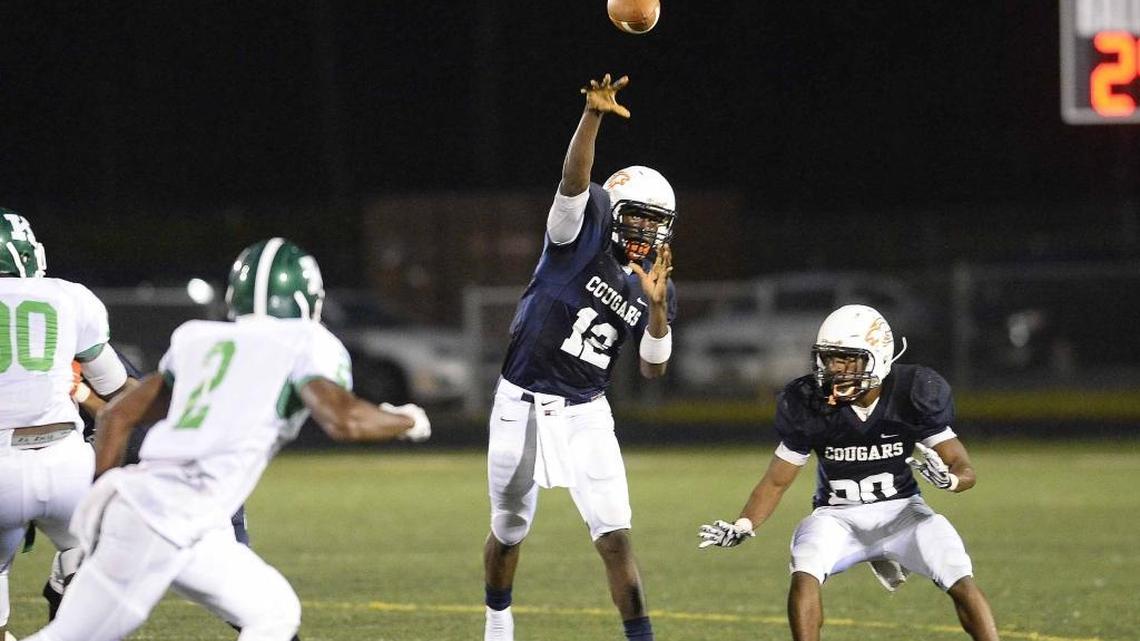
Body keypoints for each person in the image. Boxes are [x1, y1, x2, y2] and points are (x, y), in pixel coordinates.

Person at [22, 238, 431, 641]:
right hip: (165, 518)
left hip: (187, 519)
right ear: (310, 299)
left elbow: (117, 414)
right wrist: (405, 420)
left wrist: (101, 492)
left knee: (273, 612)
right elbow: (345, 421)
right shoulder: (308, 339)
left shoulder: (200, 338)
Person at [482, 74, 677, 641]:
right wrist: (592, 117)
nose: (644, 231)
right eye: (635, 217)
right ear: (614, 212)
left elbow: (653, 367)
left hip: (586, 410)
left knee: (615, 534)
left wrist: (659, 310)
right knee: (510, 527)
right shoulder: (578, 229)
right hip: (519, 400)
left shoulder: (654, 281)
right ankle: (498, 619)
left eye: (654, 223)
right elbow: (574, 180)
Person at [698, 304, 1001, 641]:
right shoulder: (810, 402)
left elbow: (962, 466)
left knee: (957, 571)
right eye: (830, 359)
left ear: (879, 356)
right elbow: (776, 480)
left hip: (904, 513)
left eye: (847, 359)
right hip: (837, 518)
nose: (836, 369)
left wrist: (951, 480)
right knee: (805, 568)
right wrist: (744, 524)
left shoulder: (911, 391)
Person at [0, 210, 134, 641]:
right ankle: (68, 591)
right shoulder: (70, 296)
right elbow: (118, 391)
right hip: (66, 464)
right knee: (94, 560)